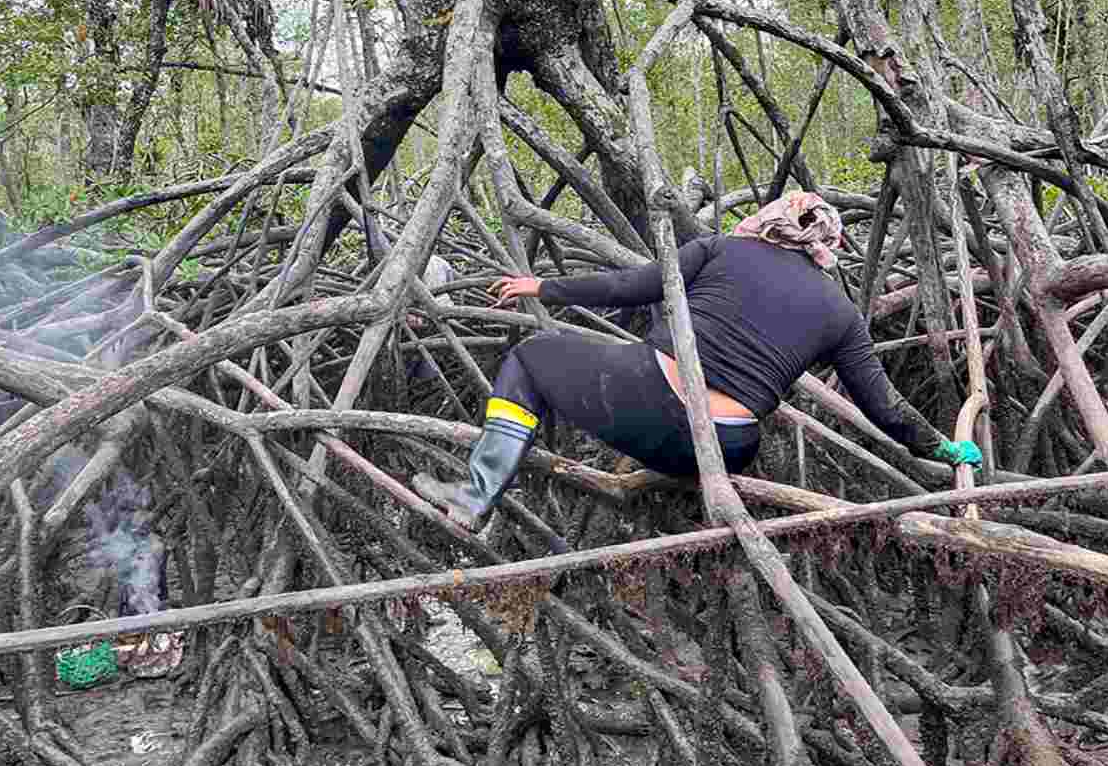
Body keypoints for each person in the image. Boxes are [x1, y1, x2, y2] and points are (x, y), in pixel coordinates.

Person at [413, 192, 982, 529]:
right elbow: (885, 408)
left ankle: (475, 495)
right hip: (729, 447)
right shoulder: (843, 314)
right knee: (678, 425)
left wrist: (542, 286)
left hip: (649, 406)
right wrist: (942, 447)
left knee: (533, 356)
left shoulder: (720, 248)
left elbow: (630, 287)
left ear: (770, 220)